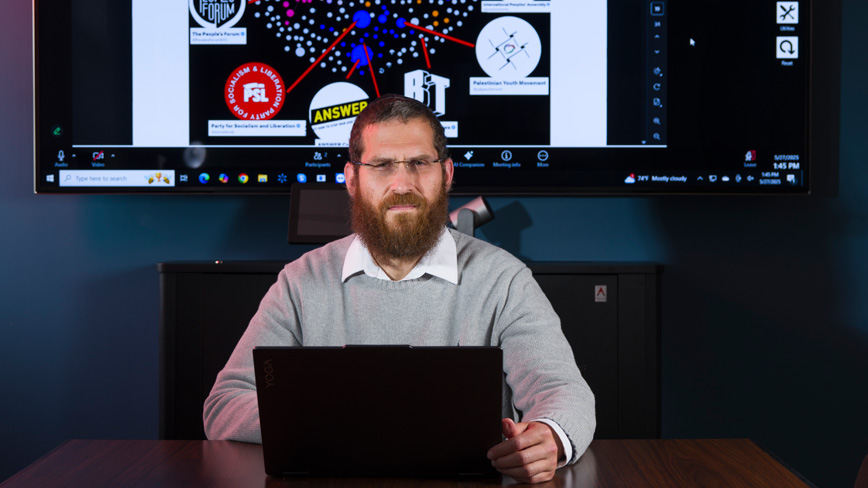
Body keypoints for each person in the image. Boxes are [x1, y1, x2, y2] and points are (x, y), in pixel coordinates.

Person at [204, 94, 595, 483]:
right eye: (383, 165)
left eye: (419, 163)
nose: (402, 183)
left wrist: (550, 437)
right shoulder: (301, 280)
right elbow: (224, 404)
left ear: (446, 174)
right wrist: (356, 422)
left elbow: (563, 393)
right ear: (352, 179)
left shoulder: (504, 279)